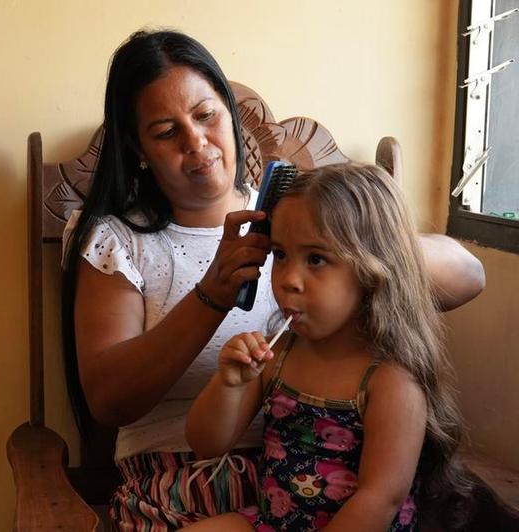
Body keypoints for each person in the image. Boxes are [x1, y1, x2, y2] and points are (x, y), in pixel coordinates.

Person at [62, 29, 484, 530]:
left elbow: (469, 277)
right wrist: (211, 296)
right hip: (181, 482)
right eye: (166, 131)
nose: (196, 142)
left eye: (206, 115)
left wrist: (358, 238)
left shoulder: (296, 219)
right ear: (138, 148)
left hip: (326, 489)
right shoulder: (121, 241)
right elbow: (110, 401)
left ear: (230, 115)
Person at [183, 163, 472, 531]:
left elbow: (380, 498)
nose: (289, 280)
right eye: (281, 255)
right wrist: (229, 385)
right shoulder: (279, 353)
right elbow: (207, 444)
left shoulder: (391, 379)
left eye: (316, 259)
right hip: (274, 521)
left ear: (374, 269)